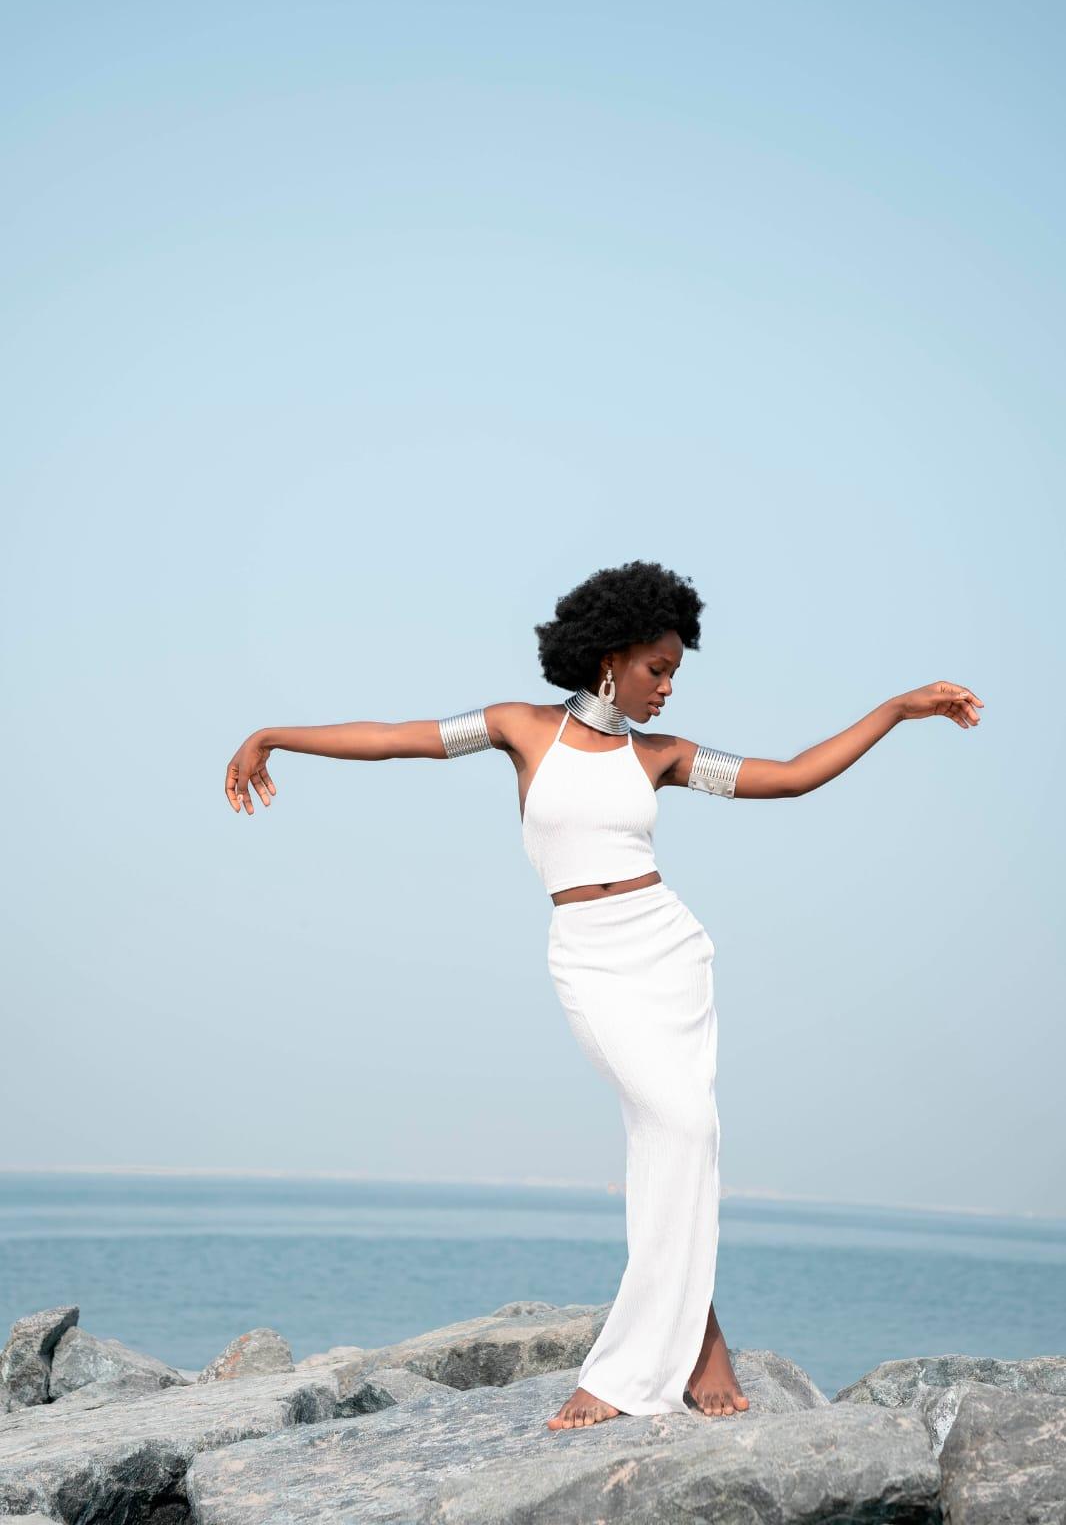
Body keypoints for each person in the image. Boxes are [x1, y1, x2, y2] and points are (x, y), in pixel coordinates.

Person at [224, 558, 984, 1432]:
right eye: (657, 668)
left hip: (669, 951)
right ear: (609, 656)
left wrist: (897, 710)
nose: (667, 687)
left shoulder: (660, 756)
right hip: (589, 958)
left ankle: (692, 1343)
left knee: (679, 1137)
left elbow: (792, 775)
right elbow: (396, 736)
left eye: (675, 673)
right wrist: (274, 734)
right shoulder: (520, 727)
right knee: (679, 1126)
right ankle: (661, 1357)